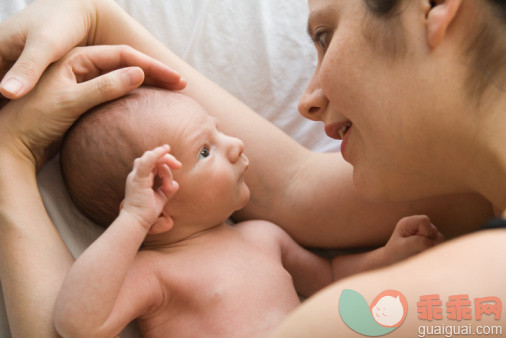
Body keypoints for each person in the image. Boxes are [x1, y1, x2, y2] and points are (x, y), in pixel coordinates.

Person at [0, 0, 502, 336]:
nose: (309, 101)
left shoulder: (470, 285)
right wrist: (94, 18)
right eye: (205, 149)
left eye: (325, 35)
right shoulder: (469, 192)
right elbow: (294, 188)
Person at [54, 88, 442, 337]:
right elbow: (76, 323)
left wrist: (389, 256)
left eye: (218, 132)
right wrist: (132, 222)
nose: (236, 144)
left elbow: (330, 275)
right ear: (156, 211)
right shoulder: (155, 271)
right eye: (205, 150)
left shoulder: (261, 235)